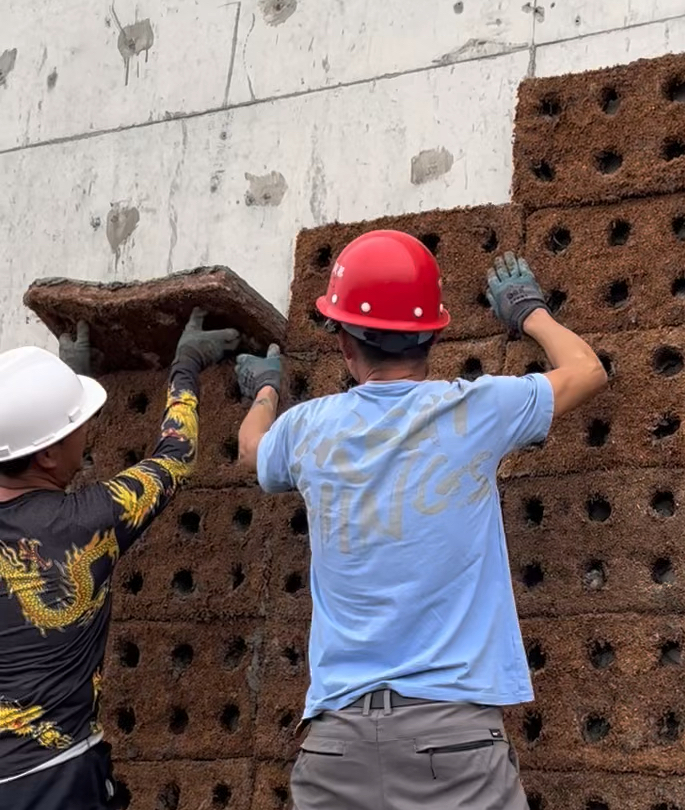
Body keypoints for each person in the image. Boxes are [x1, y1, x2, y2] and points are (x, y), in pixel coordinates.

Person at [233, 230, 607, 809]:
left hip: (334, 752)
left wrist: (263, 391)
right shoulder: (477, 409)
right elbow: (586, 369)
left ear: (343, 344)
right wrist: (529, 313)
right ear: (433, 333)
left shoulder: (305, 429)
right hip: (453, 748)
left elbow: (253, 451)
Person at [0, 310, 239, 807]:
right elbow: (175, 456)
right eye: (78, 425)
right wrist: (185, 366)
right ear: (46, 454)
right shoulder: (86, 522)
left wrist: (63, 390)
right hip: (52, 778)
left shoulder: (70, 513)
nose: (87, 433)